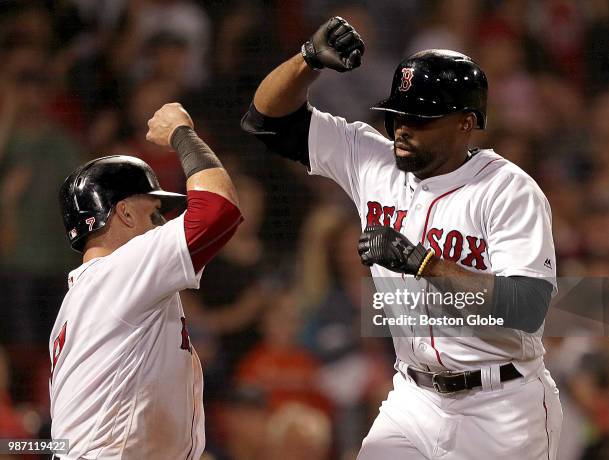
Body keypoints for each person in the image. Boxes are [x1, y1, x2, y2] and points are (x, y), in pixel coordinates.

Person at [241, 16, 562, 459]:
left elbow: (527, 307)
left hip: (501, 405)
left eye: (420, 118)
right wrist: (307, 61)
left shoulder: (508, 189)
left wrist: (423, 263)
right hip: (415, 398)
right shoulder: (371, 159)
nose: (403, 128)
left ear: (466, 122)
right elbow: (266, 121)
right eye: (397, 115)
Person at [50, 103, 242, 459]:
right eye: (153, 212)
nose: (160, 221)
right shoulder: (117, 273)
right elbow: (219, 211)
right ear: (123, 212)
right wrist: (181, 133)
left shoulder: (89, 296)